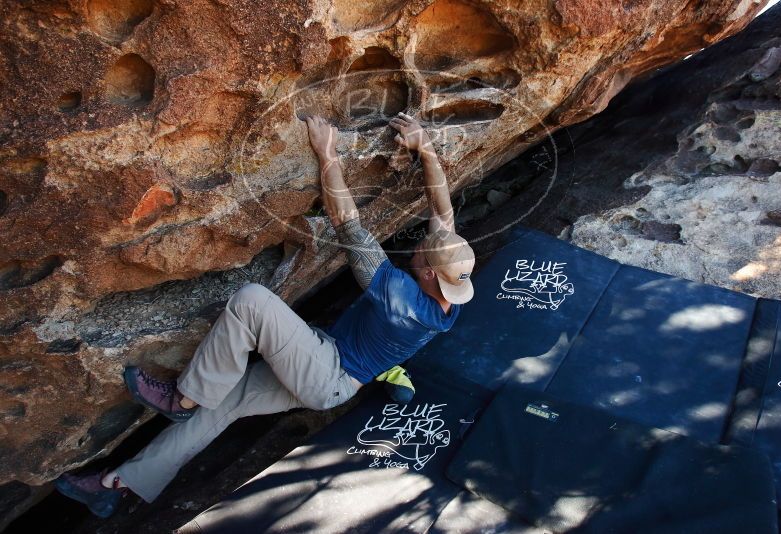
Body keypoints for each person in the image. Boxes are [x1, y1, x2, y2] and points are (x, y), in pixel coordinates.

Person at [54, 112, 476, 518]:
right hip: (331, 376)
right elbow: (444, 218)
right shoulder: (448, 299)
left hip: (326, 370)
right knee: (222, 407)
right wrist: (427, 151)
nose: (421, 244)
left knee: (252, 300)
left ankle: (184, 397)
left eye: (422, 251)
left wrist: (327, 155)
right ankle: (116, 486)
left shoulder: (398, 298)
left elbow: (350, 226)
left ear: (425, 273)